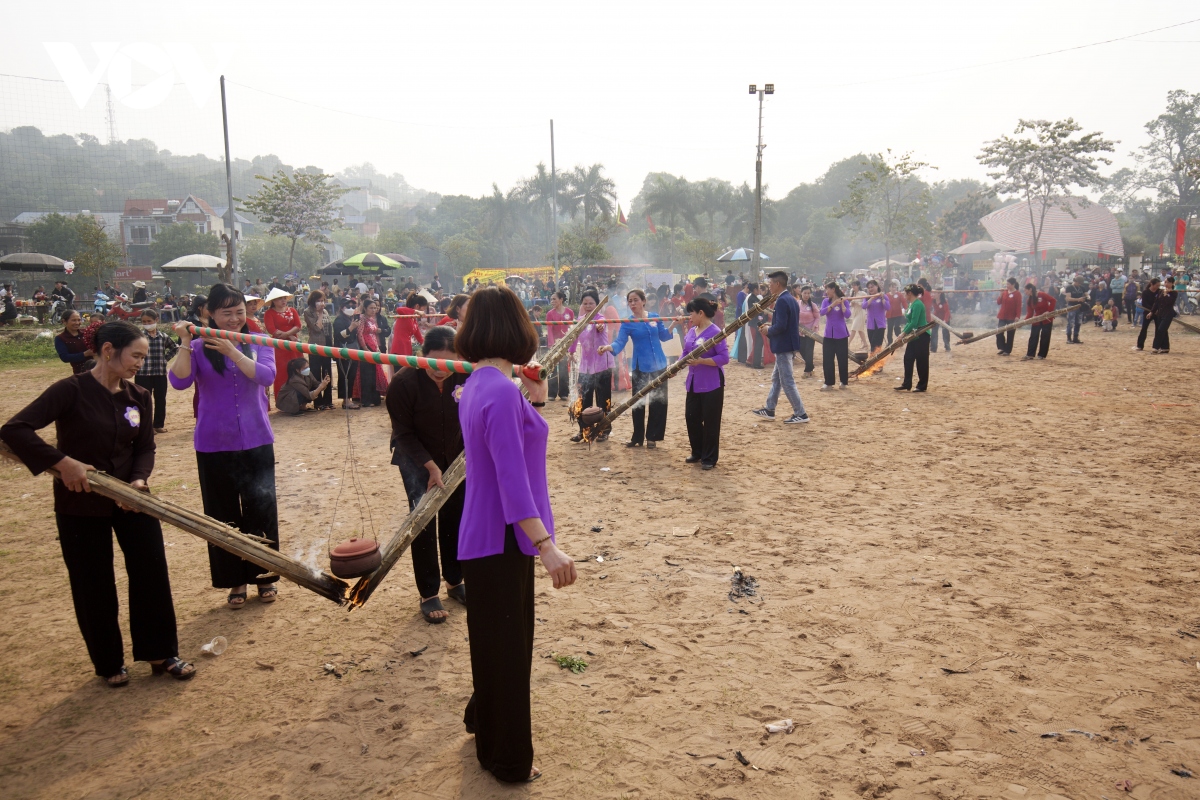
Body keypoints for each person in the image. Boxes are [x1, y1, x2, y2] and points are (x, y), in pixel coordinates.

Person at [1, 321, 194, 686]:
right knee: (93, 582)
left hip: (132, 500)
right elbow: (14, 430)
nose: (140, 362)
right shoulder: (69, 391)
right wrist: (63, 463)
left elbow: (145, 447)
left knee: (151, 572)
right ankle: (109, 662)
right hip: (80, 503)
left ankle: (160, 652)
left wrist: (139, 480)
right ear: (109, 351)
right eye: (135, 355)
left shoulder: (139, 396)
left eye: (144, 355)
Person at [454, 286, 576, 784]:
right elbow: (511, 478)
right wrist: (546, 546)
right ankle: (507, 759)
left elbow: (513, 447)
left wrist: (536, 404)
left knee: (495, 644)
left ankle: (485, 728)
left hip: (490, 535)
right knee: (507, 651)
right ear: (516, 329)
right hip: (502, 535)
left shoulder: (482, 383)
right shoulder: (499, 390)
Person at [170, 283, 280, 608]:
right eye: (226, 313)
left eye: (239, 312)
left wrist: (234, 351)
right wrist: (186, 343)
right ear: (211, 314)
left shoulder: (259, 342)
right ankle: (234, 581)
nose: (234, 319)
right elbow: (178, 381)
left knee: (261, 509)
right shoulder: (200, 347)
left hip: (257, 439)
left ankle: (265, 576)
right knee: (222, 515)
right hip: (213, 443)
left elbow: (267, 376)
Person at [386, 325, 468, 624]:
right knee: (422, 521)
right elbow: (403, 434)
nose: (441, 370)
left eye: (449, 363)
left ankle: (454, 579)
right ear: (422, 356)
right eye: (434, 362)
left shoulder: (466, 374)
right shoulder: (404, 382)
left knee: (455, 517)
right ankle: (428, 591)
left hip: (457, 458)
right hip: (416, 460)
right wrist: (430, 466)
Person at [599, 289, 673, 449]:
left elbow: (664, 336)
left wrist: (675, 324)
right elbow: (619, 342)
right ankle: (637, 437)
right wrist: (608, 347)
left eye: (635, 300)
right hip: (640, 366)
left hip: (659, 364)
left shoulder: (655, 317)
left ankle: (652, 437)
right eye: (630, 301)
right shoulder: (628, 322)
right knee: (638, 402)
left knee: (658, 401)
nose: (632, 304)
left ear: (643, 301)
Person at [752, 272, 809, 423]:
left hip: (783, 345)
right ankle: (770, 408)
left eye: (770, 283)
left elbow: (782, 326)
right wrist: (770, 326)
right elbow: (787, 324)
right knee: (777, 378)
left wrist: (768, 330)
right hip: (786, 343)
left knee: (787, 381)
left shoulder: (783, 301)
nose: (769, 286)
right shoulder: (790, 299)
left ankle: (801, 413)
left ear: (778, 284)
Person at [682, 295, 730, 469]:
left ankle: (709, 458)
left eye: (691, 314)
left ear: (701, 313)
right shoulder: (692, 330)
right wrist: (676, 366)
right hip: (693, 381)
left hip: (712, 383)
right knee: (691, 417)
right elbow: (685, 352)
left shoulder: (715, 332)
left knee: (711, 420)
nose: (690, 317)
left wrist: (701, 361)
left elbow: (724, 358)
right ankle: (697, 451)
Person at [568, 290, 613, 443]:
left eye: (591, 303)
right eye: (585, 303)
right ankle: (584, 431)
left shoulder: (601, 319)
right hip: (585, 366)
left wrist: (599, 326)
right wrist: (571, 352)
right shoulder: (580, 320)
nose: (588, 306)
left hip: (602, 366)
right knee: (583, 399)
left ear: (597, 304)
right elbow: (574, 337)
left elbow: (601, 326)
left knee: (603, 400)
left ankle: (604, 430)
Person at [135, 309, 178, 433]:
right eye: (144, 321)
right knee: (144, 401)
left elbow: (174, 347)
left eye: (149, 321)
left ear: (156, 320)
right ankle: (146, 426)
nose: (147, 323)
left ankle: (158, 425)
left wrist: (165, 359)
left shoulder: (163, 337)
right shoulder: (139, 337)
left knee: (160, 399)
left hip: (159, 373)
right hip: (143, 373)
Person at [263, 287, 300, 403]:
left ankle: (299, 400)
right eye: (280, 299)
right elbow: (271, 329)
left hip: (294, 345)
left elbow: (298, 326)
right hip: (279, 347)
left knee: (297, 369)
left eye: (284, 298)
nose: (283, 301)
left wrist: (287, 334)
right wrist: (289, 336)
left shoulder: (292, 310)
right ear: (273, 301)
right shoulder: (269, 313)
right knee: (282, 372)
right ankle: (283, 401)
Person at [302, 290, 334, 410]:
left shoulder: (326, 311)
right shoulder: (307, 312)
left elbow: (329, 328)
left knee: (327, 372)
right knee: (315, 373)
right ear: (313, 301)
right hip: (315, 346)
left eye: (322, 300)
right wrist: (319, 314)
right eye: (318, 300)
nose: (321, 303)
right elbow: (316, 328)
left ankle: (328, 400)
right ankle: (318, 401)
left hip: (326, 345)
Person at [895, 284, 930, 393]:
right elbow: (909, 322)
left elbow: (914, 323)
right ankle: (907, 383)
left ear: (909, 293)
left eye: (905, 293)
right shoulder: (911, 304)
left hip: (922, 335)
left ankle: (922, 385)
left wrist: (902, 334)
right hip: (913, 336)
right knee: (908, 358)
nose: (904, 295)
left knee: (921, 361)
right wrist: (903, 333)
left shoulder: (918, 304)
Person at [355, 298, 388, 407]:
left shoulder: (372, 319)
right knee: (367, 375)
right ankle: (367, 400)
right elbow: (360, 335)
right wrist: (365, 349)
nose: (374, 310)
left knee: (374, 374)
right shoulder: (362, 318)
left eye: (375, 308)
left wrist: (377, 349)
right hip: (366, 348)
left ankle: (375, 398)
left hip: (374, 348)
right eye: (371, 308)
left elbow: (374, 334)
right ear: (365, 308)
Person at [819, 282, 852, 390]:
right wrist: (833, 304)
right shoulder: (825, 301)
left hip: (841, 334)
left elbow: (847, 315)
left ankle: (843, 381)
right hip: (828, 334)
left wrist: (842, 304)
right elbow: (822, 312)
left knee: (842, 359)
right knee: (827, 359)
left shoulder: (844, 301)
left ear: (833, 289)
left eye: (827, 289)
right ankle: (828, 383)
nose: (826, 292)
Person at [544, 292, 575, 400]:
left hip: (565, 345)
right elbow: (549, 330)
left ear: (561, 299)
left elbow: (572, 329)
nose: (552, 301)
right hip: (554, 344)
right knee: (551, 368)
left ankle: (564, 393)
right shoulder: (550, 314)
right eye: (551, 299)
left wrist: (569, 344)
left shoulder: (569, 312)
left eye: (554, 299)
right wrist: (552, 345)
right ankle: (552, 393)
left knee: (564, 369)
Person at [333, 298, 362, 408]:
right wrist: (351, 328)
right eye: (348, 306)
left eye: (353, 307)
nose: (351, 309)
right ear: (341, 307)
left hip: (352, 350)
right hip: (342, 351)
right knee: (344, 376)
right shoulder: (339, 320)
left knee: (351, 376)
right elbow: (339, 336)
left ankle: (348, 399)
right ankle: (345, 400)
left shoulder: (351, 318)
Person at [1022, 283, 1057, 361]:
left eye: (1025, 290)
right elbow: (1030, 313)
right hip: (1037, 319)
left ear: (1030, 289)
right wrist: (1024, 321)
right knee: (1033, 336)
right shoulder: (1029, 300)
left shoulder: (1042, 294)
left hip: (1047, 319)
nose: (1025, 292)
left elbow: (1053, 300)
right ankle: (1030, 354)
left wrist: (1049, 311)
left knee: (1045, 337)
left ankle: (1042, 355)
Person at [389, 293, 428, 358]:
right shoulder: (405, 314)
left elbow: (419, 337)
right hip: (399, 349)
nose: (424, 311)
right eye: (424, 308)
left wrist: (428, 346)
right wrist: (416, 311)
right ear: (417, 306)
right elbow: (399, 309)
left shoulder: (414, 320)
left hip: (407, 349)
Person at [54, 309, 92, 374]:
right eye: (74, 320)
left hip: (97, 368)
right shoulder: (60, 338)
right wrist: (85, 354)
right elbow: (65, 357)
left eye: (79, 320)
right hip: (80, 372)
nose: (77, 323)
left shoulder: (87, 332)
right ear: (64, 321)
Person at [861, 279, 891, 354]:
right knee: (872, 344)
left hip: (880, 324)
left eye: (872, 287)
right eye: (869, 287)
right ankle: (875, 362)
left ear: (877, 286)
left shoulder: (883, 296)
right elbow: (864, 306)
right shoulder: (867, 297)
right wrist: (871, 298)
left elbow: (888, 307)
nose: (871, 289)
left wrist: (883, 299)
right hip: (870, 325)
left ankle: (875, 362)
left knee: (876, 345)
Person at [796, 285, 820, 378]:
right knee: (801, 349)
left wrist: (814, 327)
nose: (806, 295)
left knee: (809, 351)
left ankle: (807, 370)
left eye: (808, 293)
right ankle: (811, 366)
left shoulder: (812, 305)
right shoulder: (797, 303)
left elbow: (817, 317)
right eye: (805, 293)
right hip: (800, 331)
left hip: (810, 332)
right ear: (801, 293)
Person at [1151, 276, 1178, 354]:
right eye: (1165, 282)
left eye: (1168, 282)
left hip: (1168, 313)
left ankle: (1155, 347)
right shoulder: (1160, 291)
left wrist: (1167, 294)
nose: (1166, 284)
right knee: (1163, 330)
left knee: (1161, 330)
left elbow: (1170, 302)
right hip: (1160, 313)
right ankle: (1165, 347)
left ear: (1172, 283)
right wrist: (1152, 312)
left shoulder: (1174, 293)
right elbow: (1156, 302)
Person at [995, 277, 1022, 356]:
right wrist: (1000, 295)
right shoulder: (1005, 292)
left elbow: (1018, 306)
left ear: (1013, 285)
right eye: (1006, 284)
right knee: (999, 332)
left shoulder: (1017, 294)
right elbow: (998, 302)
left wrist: (1017, 316)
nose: (1006, 286)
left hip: (1011, 317)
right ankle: (1002, 347)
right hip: (1002, 315)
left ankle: (1008, 350)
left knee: (1010, 334)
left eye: (1008, 284)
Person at [1134, 276, 1161, 351]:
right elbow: (1144, 304)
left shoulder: (1159, 292)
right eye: (1156, 285)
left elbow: (1159, 302)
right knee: (1144, 328)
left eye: (1159, 285)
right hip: (1147, 312)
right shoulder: (1145, 292)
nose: (1158, 287)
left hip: (1157, 313)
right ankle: (1140, 345)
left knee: (1158, 329)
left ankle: (1157, 346)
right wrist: (1152, 310)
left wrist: (1156, 310)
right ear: (1152, 284)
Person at [1063, 276, 1089, 344]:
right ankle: (1068, 338)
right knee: (1070, 323)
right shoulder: (1069, 287)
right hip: (1072, 306)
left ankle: (1075, 337)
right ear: (1075, 281)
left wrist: (1087, 297)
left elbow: (1087, 294)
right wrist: (1078, 299)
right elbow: (1068, 298)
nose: (1079, 284)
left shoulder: (1082, 287)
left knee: (1078, 323)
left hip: (1080, 306)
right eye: (1078, 282)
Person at [847, 283, 869, 353]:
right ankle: (865, 344)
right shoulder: (852, 293)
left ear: (858, 286)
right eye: (852, 285)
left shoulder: (863, 293)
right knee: (860, 329)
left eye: (854, 285)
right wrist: (852, 303)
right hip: (855, 312)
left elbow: (865, 303)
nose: (853, 287)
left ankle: (848, 343)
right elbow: (851, 303)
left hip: (861, 312)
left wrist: (857, 302)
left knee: (853, 328)